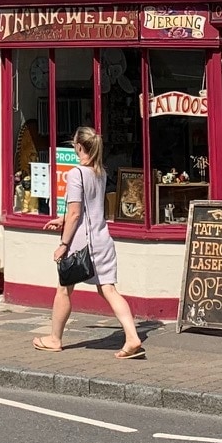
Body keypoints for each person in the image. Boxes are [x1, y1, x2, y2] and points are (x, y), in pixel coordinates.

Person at [34, 127, 145, 359]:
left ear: (79, 146)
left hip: (83, 243)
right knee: (109, 289)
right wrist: (61, 218)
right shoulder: (100, 172)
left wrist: (63, 244)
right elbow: (90, 208)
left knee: (64, 289)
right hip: (103, 238)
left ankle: (55, 339)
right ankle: (133, 337)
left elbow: (75, 214)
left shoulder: (76, 174)